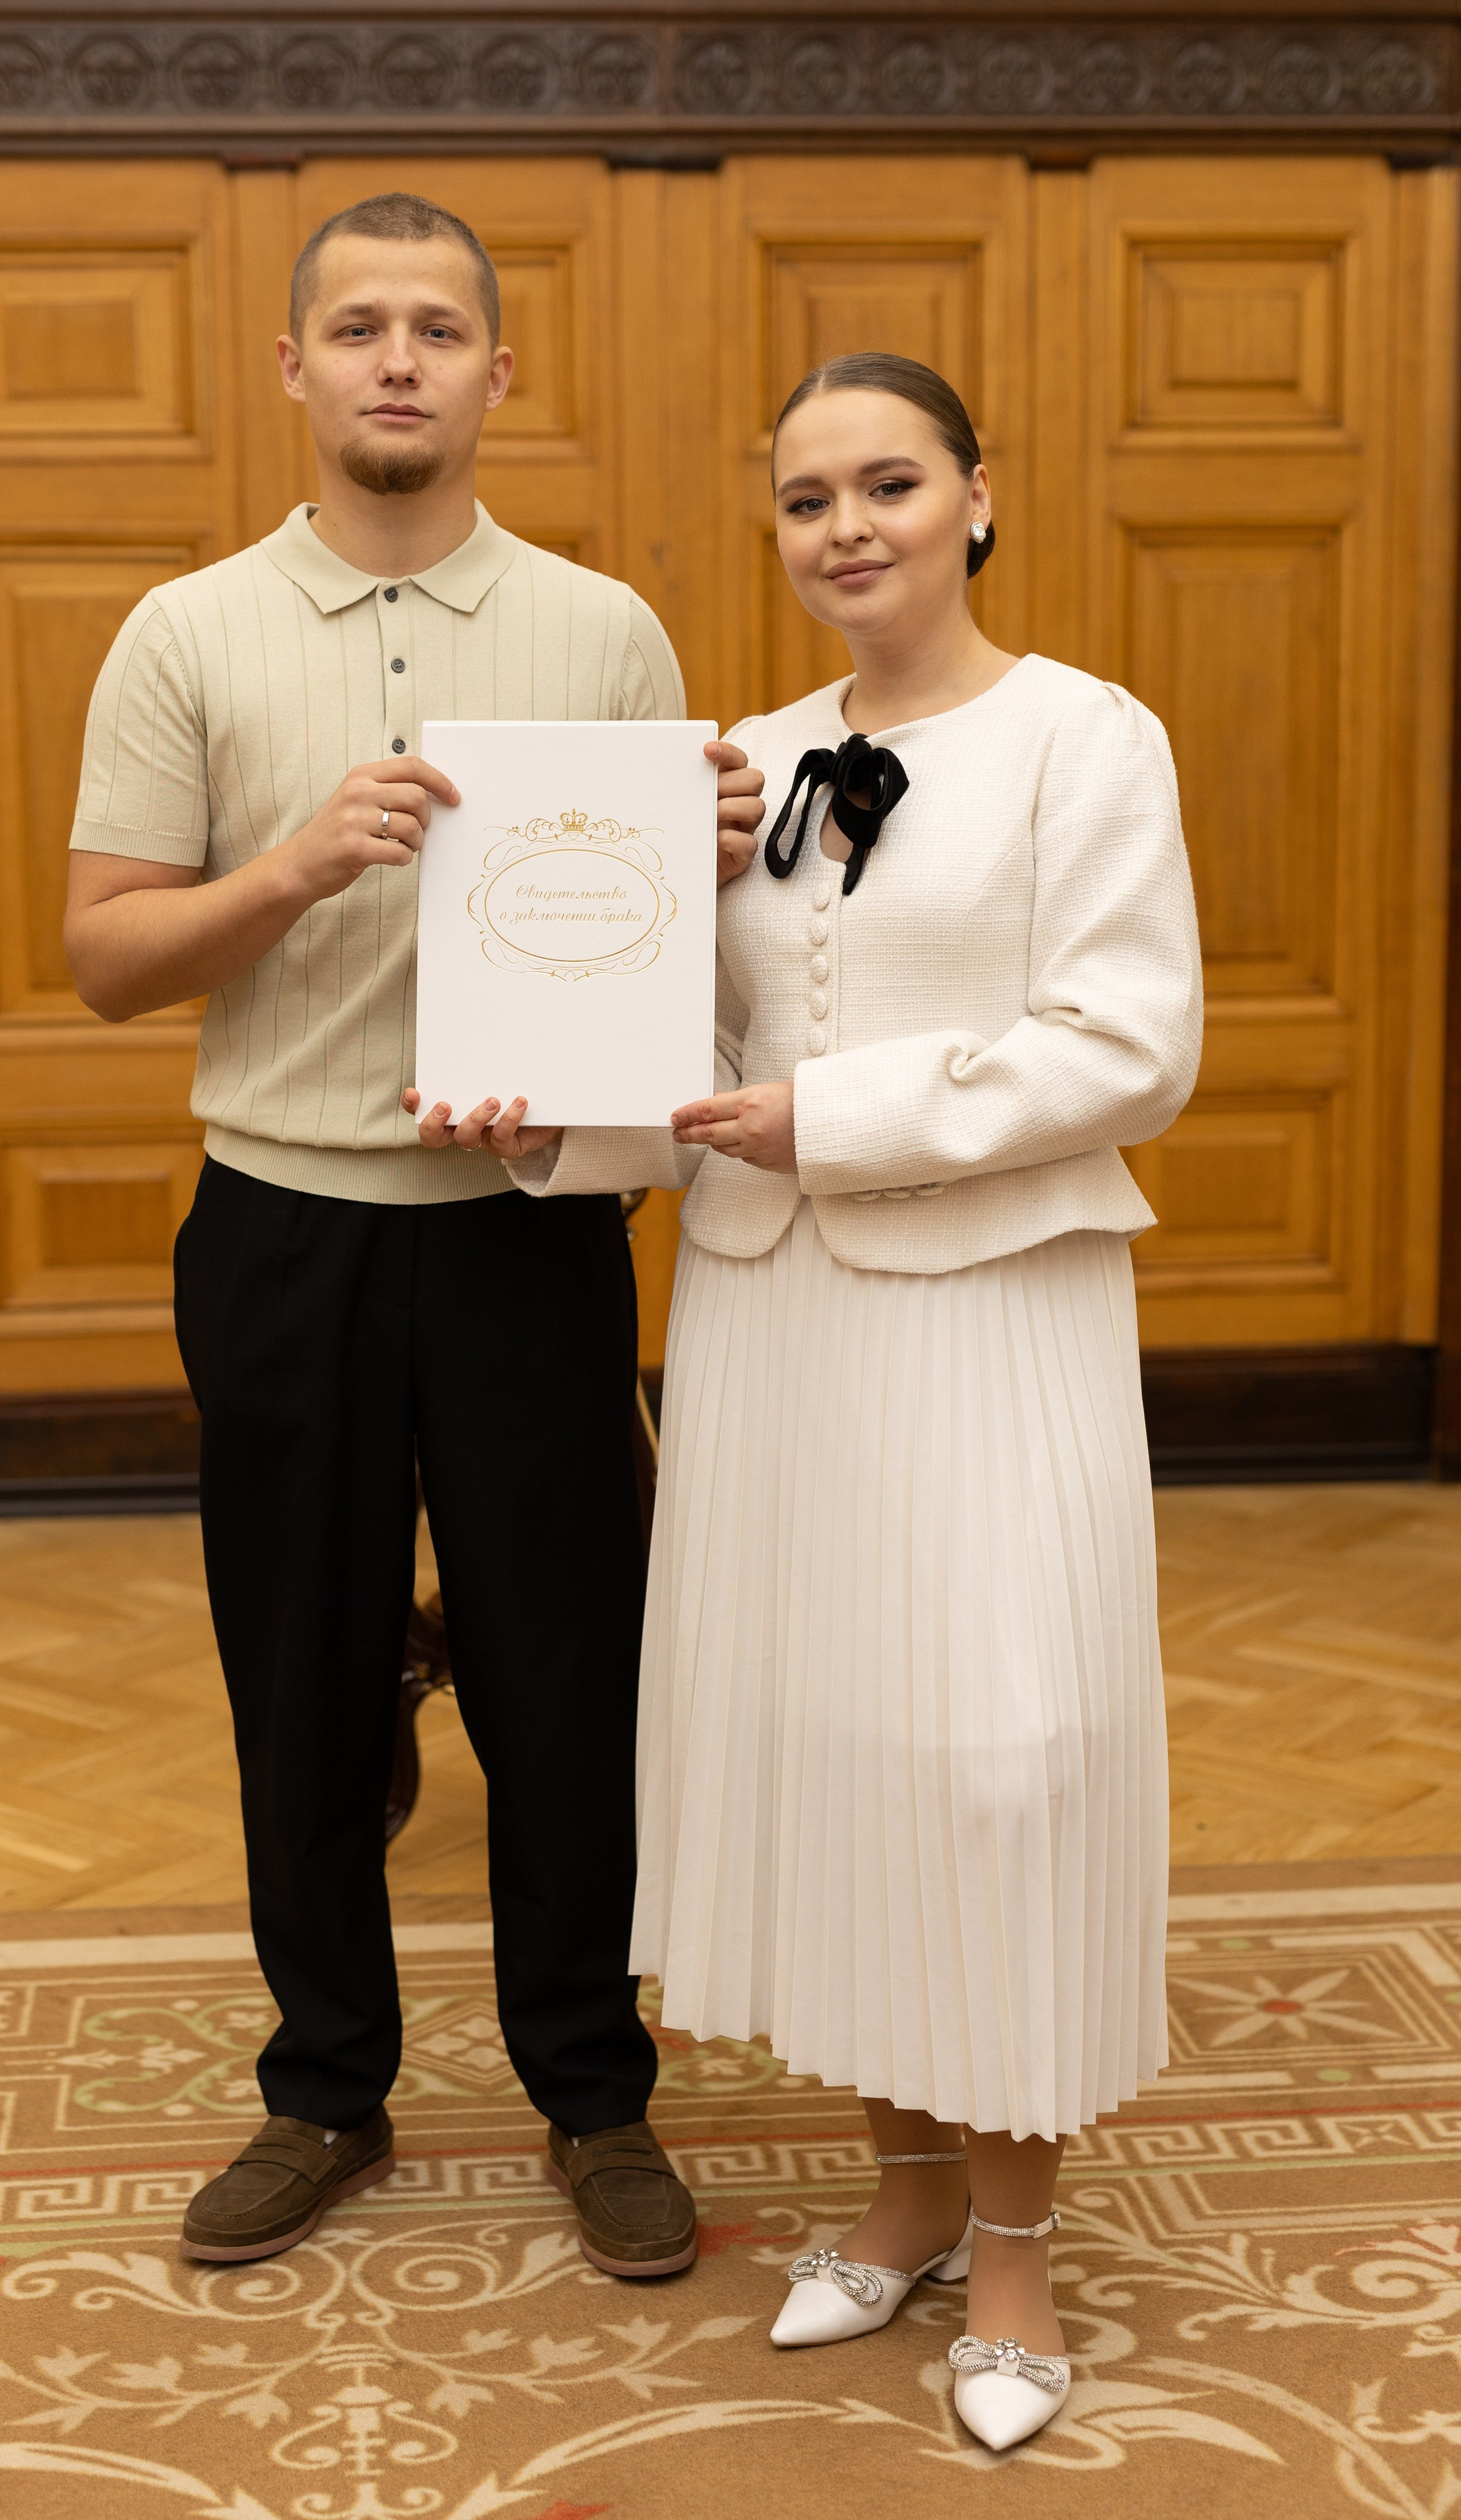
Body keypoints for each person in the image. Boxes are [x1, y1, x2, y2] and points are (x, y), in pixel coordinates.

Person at [447, 352, 1202, 2448]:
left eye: (889, 484)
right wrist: (544, 1117)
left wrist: (835, 1115)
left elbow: (1132, 1042)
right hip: (773, 1336)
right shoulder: (740, 762)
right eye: (807, 499)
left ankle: (1019, 2256)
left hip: (990, 1322)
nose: (847, 527)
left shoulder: (1084, 738)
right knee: (840, 1758)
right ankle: (905, 2196)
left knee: (997, 1768)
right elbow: (687, 1062)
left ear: (978, 496)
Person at [62, 192, 764, 2277]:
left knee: (569, 1673)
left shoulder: (605, 630)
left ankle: (595, 2093)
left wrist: (710, 861)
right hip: (282, 1231)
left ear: (494, 372)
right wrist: (292, 868)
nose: (398, 359)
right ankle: (324, 2088)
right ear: (295, 367)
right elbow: (105, 958)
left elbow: (647, 955)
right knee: (301, 1673)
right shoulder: (184, 633)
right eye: (359, 326)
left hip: (529, 1240)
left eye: (438, 328)